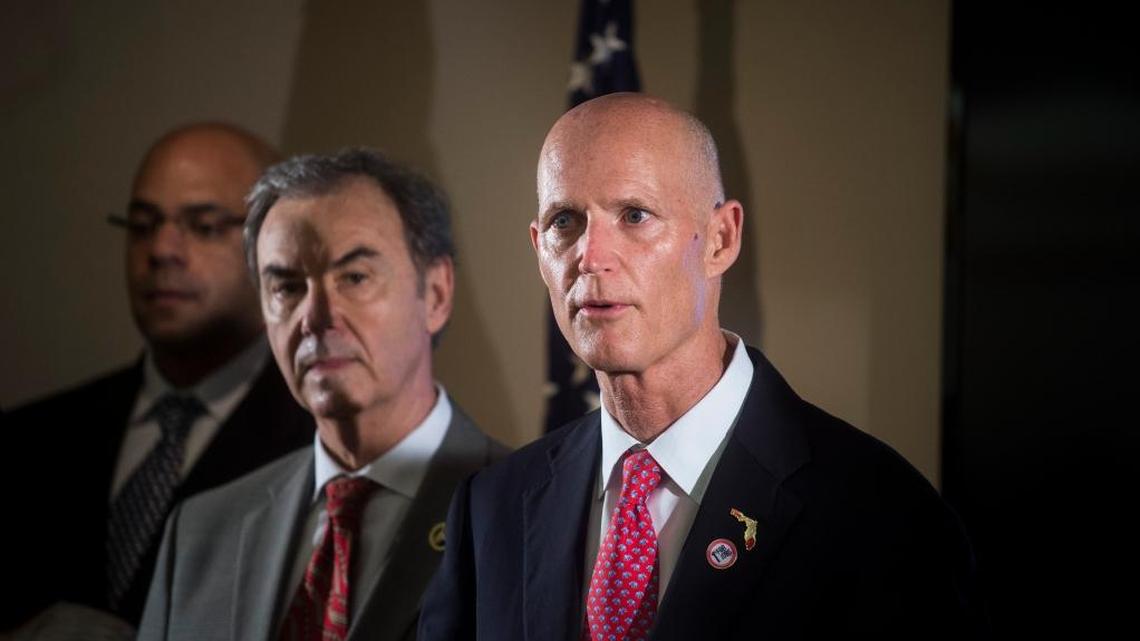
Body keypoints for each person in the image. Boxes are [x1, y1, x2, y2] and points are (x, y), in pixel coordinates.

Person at [419, 93, 986, 639]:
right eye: (566, 222)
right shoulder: (490, 509)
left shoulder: (881, 516)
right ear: (539, 250)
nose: (589, 256)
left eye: (635, 215)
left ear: (721, 238)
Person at [137, 148, 506, 641]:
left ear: (436, 294)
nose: (315, 317)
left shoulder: (522, 512)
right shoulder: (199, 533)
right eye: (287, 287)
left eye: (354, 277)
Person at [2, 124, 314, 637]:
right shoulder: (26, 439)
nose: (161, 249)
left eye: (205, 225)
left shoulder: (326, 451)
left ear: (279, 245)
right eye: (143, 224)